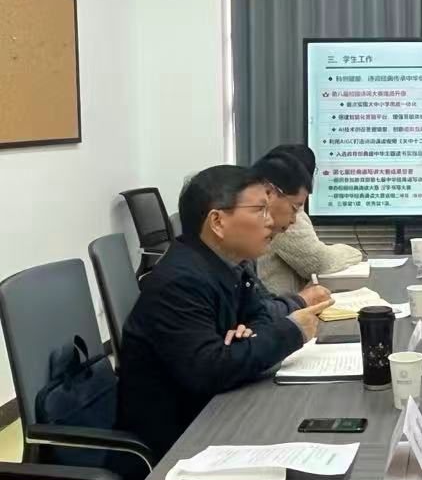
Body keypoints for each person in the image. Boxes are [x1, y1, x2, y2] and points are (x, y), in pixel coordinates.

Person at [118, 165, 333, 458]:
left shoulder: (230, 264)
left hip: (218, 411)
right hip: (177, 443)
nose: (272, 222)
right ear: (218, 222)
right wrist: (292, 331)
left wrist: (248, 338)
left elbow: (256, 317)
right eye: (260, 210)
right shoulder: (180, 281)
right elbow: (209, 370)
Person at [257, 144, 363, 294]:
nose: (292, 220)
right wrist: (354, 253)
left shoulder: (281, 209)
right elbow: (319, 261)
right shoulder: (279, 214)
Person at [250, 152, 332, 316]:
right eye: (294, 208)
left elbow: (260, 309)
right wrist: (301, 301)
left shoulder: (243, 263)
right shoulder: (207, 271)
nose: (294, 221)